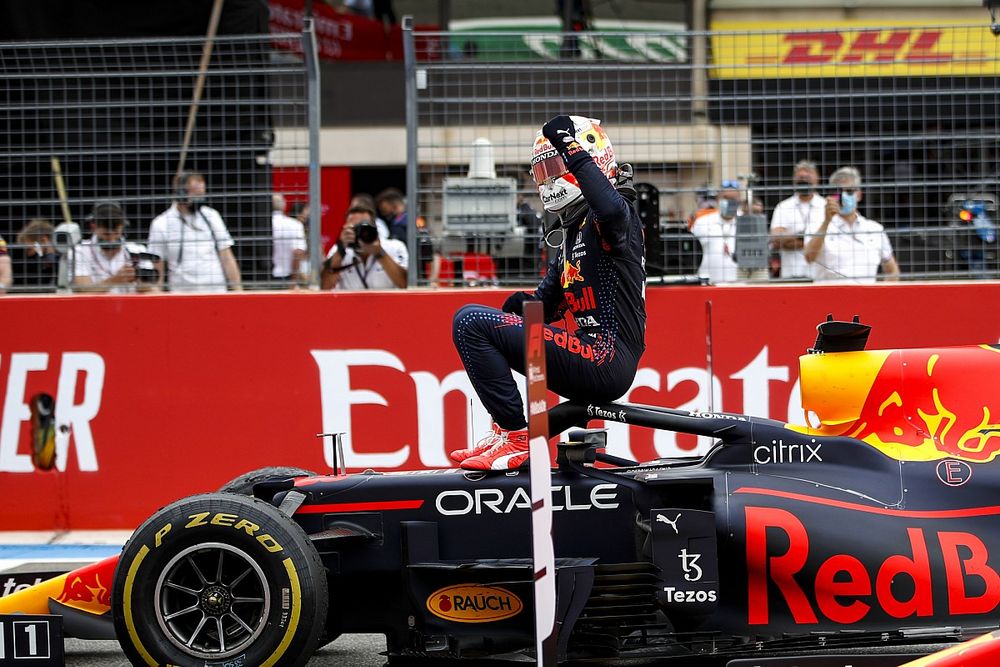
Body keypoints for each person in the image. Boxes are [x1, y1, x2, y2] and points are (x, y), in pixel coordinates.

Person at [450, 115, 646, 471]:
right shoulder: (570, 236)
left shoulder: (618, 216)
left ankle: (514, 434)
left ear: (589, 158)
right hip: (591, 356)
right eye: (543, 172)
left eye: (559, 166)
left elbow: (608, 205)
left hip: (606, 358)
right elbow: (546, 308)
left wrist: (568, 142)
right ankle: (508, 434)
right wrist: (516, 311)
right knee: (479, 323)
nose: (551, 179)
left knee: (470, 321)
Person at [148, 172, 242, 293]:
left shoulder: (211, 216)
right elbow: (157, 265)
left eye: (202, 194)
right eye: (196, 194)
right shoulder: (161, 223)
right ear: (181, 193)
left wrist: (238, 289)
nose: (200, 199)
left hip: (215, 292)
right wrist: (157, 294)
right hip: (182, 295)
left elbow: (226, 256)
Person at [805, 166, 900, 283]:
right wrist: (826, 222)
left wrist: (879, 298)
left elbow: (892, 271)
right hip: (829, 299)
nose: (844, 196)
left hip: (864, 299)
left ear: (859, 195)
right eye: (840, 191)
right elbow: (809, 257)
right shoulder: (817, 224)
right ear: (833, 195)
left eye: (849, 191)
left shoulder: (875, 229)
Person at [73, 201, 157, 293]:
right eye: (106, 234)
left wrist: (140, 280)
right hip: (95, 306)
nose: (112, 239)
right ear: (93, 227)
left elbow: (152, 291)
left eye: (116, 233)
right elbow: (83, 291)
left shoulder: (137, 250)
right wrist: (114, 280)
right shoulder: (80, 251)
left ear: (122, 227)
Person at [321, 205, 407, 290]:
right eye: (354, 229)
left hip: (388, 303)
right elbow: (325, 287)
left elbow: (404, 284)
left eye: (363, 228)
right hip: (349, 303)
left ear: (375, 228)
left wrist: (380, 253)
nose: (359, 233)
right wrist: (340, 251)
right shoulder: (338, 251)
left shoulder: (395, 247)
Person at [770, 160, 824, 281]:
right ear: (794, 180)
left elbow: (828, 242)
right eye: (800, 178)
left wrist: (791, 238)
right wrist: (810, 240)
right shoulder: (783, 206)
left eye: (807, 177)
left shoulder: (825, 206)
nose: (804, 181)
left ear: (817, 179)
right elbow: (777, 240)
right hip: (790, 275)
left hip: (818, 276)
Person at [9, 219, 57, 293]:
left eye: (29, 249)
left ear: (44, 240)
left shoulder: (63, 260)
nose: (28, 254)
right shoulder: (38, 262)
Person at [271, 194, 308, 286]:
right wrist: (293, 281)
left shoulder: (262, 225)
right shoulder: (295, 224)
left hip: (262, 276)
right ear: (284, 206)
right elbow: (298, 252)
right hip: (286, 276)